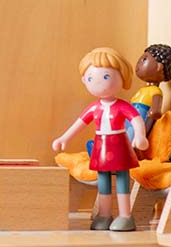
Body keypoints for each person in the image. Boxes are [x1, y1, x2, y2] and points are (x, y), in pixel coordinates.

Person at [52, 47, 148, 232]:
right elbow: (79, 123)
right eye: (90, 78)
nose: (97, 82)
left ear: (122, 77)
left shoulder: (122, 106)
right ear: (84, 81)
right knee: (103, 181)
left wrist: (140, 136)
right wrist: (64, 138)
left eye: (105, 77)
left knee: (122, 179)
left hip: (119, 146)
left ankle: (125, 215)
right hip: (101, 147)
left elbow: (136, 119)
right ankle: (104, 215)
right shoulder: (94, 107)